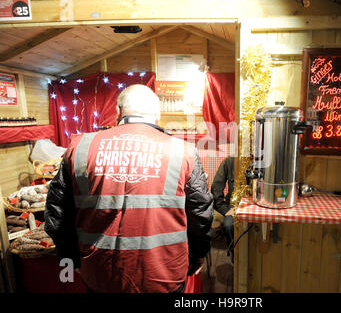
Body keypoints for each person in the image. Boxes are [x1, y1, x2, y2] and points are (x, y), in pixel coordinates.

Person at [44, 84, 214, 293]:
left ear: (117, 111)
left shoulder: (80, 147)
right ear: (157, 115)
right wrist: (198, 254)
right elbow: (201, 212)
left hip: (100, 273)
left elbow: (57, 213)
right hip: (164, 275)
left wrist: (69, 257)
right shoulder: (183, 151)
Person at [211, 156, 234, 261]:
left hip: (257, 206)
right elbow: (216, 188)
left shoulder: (262, 161)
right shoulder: (230, 161)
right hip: (234, 207)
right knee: (229, 225)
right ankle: (234, 256)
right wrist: (224, 209)